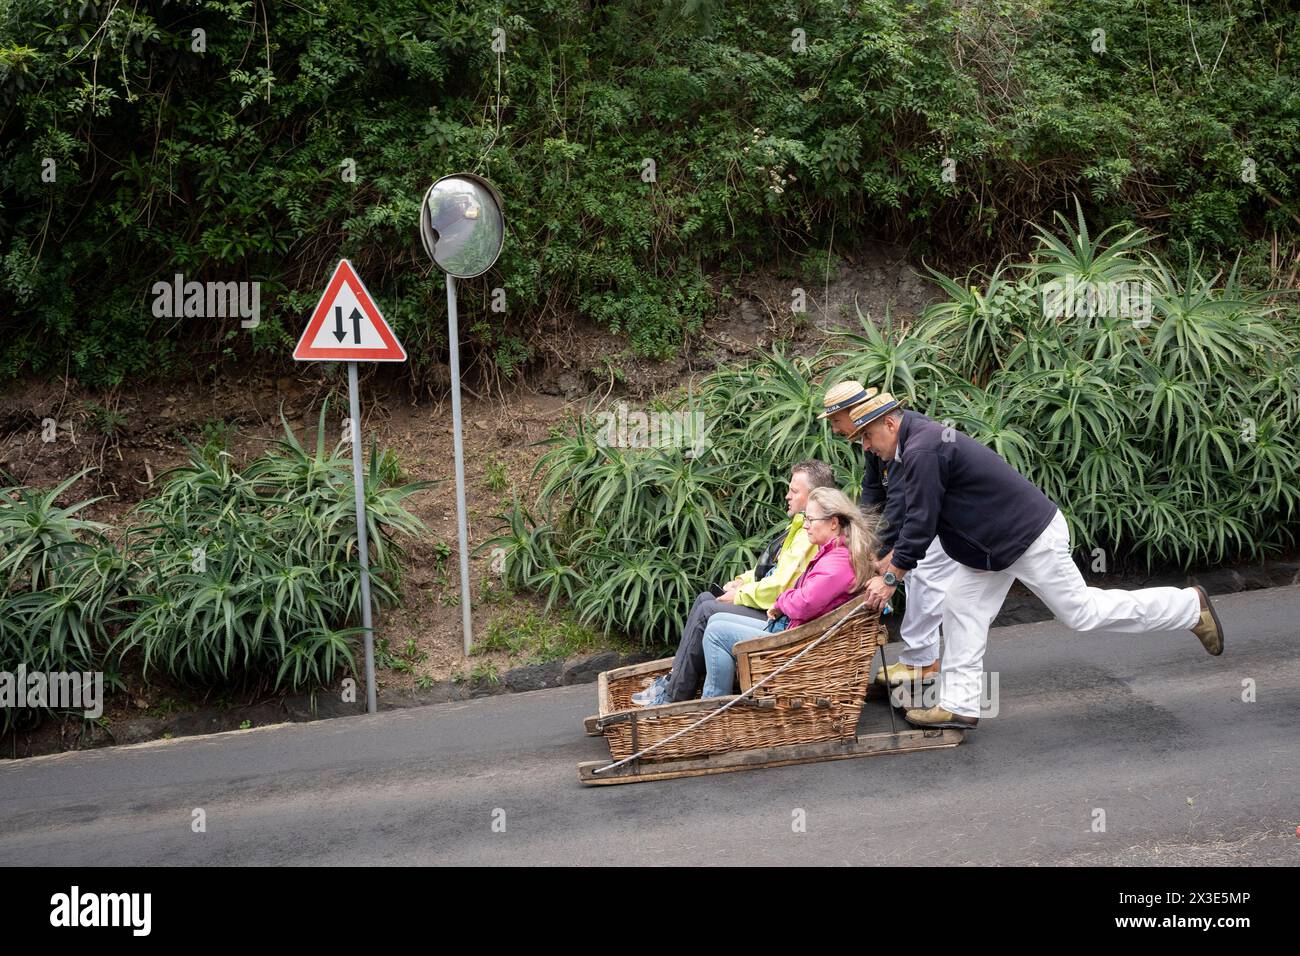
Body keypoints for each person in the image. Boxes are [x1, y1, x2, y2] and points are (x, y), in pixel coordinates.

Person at [852, 391, 1225, 730]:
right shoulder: (915, 442)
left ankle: (1189, 607)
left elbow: (921, 520)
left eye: (868, 436)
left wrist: (891, 576)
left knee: (1081, 613)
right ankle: (959, 705)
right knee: (961, 607)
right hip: (990, 548)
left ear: (890, 422)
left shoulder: (922, 450)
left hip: (1027, 538)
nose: (866, 446)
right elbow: (918, 520)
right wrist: (890, 563)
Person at [632, 460, 837, 707]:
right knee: (706, 600)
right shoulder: (801, 527)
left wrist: (741, 596)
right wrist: (742, 581)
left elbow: (780, 587)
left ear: (815, 497)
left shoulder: (810, 535)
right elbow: (774, 570)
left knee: (708, 612)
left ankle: (674, 696)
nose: (787, 496)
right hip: (775, 607)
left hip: (777, 615)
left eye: (794, 491)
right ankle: (676, 682)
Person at [821, 378, 959, 687]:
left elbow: (901, 501)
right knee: (919, 581)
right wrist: (863, 537)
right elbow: (873, 491)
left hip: (937, 518)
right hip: (921, 516)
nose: (834, 428)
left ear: (852, 411)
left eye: (835, 420)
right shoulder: (872, 439)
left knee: (922, 578)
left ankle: (922, 664)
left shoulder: (903, 437)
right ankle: (920, 660)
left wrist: (882, 552)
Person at [698, 487, 880, 699]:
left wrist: (781, 601)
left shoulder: (838, 562)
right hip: (795, 630)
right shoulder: (833, 553)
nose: (805, 525)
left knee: (716, 633)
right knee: (716, 619)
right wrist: (783, 602)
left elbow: (804, 603)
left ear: (833, 522)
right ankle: (720, 697)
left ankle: (713, 705)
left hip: (798, 642)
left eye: (811, 520)